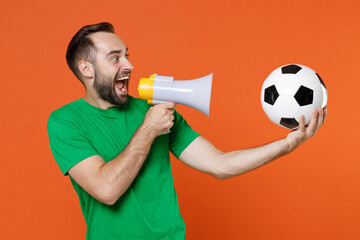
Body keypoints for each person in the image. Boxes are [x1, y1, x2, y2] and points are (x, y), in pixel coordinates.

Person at [47, 22, 326, 240]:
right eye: (115, 58)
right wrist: (148, 129)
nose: (129, 65)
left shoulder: (152, 111)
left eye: (127, 55)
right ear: (86, 69)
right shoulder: (65, 122)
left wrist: (287, 144)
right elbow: (107, 190)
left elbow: (220, 164)